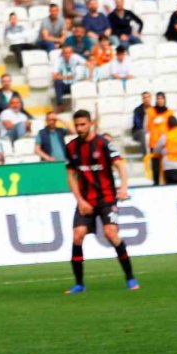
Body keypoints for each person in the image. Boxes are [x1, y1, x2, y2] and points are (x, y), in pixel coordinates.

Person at [64, 109, 138, 294]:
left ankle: (130, 277)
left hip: (106, 198)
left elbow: (120, 164)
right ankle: (79, 284)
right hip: (86, 200)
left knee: (111, 233)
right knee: (77, 235)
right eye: (77, 125)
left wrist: (123, 187)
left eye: (83, 124)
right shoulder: (72, 147)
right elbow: (71, 175)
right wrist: (79, 200)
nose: (79, 128)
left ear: (90, 124)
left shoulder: (104, 144)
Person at [146, 92, 172, 186]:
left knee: (166, 165)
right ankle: (156, 183)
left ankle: (167, 182)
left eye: (162, 99)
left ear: (165, 100)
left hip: (166, 143)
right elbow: (148, 126)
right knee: (155, 166)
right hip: (154, 142)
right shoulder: (151, 111)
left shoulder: (169, 112)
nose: (160, 101)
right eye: (158, 99)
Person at [52, 45, 87, 111]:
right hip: (64, 85)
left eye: (69, 52)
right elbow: (54, 76)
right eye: (65, 53)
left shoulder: (75, 57)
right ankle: (60, 104)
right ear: (62, 53)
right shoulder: (58, 61)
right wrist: (66, 77)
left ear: (72, 53)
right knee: (57, 82)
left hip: (75, 83)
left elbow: (88, 64)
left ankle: (82, 105)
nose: (67, 55)